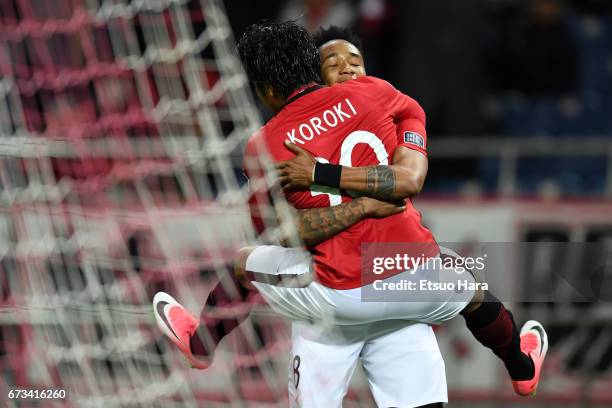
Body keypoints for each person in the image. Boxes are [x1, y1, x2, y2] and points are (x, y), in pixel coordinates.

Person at [154, 21, 547, 405]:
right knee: (467, 285)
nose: (347, 68)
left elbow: (287, 235)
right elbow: (410, 165)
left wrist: (323, 178)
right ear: (313, 69)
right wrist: (368, 200)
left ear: (267, 89)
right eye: (334, 61)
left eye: (354, 60)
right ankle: (520, 364)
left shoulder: (264, 145)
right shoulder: (376, 95)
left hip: (339, 293)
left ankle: (201, 341)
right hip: (414, 282)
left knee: (245, 263)